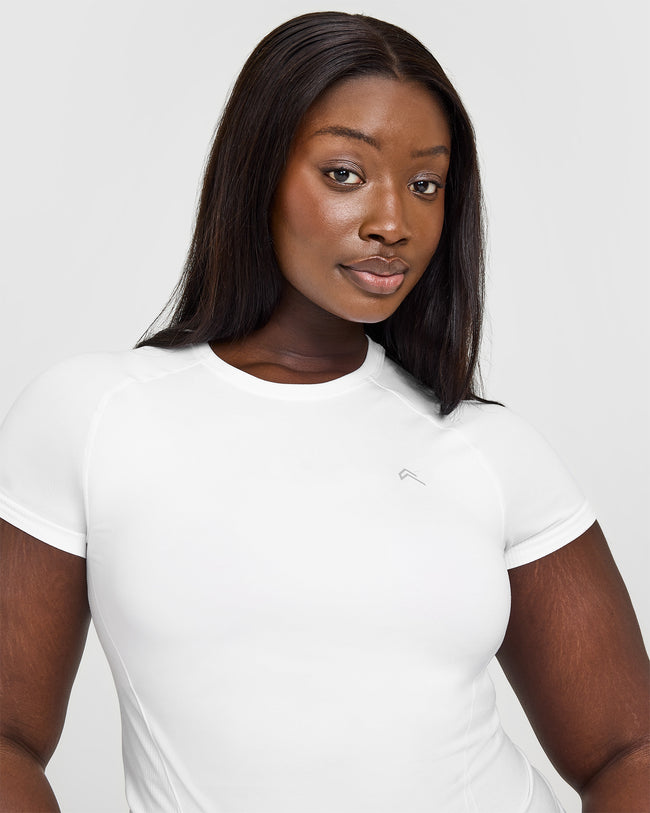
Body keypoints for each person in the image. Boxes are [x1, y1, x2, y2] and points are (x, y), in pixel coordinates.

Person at [0, 10, 648, 812]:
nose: (393, 223)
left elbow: (629, 749)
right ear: (258, 172)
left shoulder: (488, 446)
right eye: (346, 174)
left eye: (425, 185)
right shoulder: (94, 417)